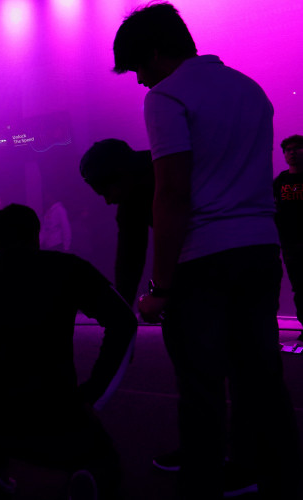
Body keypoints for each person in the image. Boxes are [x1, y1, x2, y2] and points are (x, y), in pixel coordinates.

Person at [114, 3, 301, 498]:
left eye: (138, 67)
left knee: (201, 381)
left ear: (156, 52)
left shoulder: (166, 96)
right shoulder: (251, 90)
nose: (138, 81)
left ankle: (204, 483)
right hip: (261, 246)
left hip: (205, 255)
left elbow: (172, 193)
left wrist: (160, 287)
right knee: (261, 372)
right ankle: (276, 473)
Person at [0, 203, 137, 499]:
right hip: (50, 406)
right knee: (104, 459)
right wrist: (93, 393)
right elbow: (124, 321)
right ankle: (88, 476)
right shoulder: (66, 268)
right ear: (37, 235)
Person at [80, 139, 153, 307]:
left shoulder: (167, 174)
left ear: (121, 175)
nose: (108, 201)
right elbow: (129, 258)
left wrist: (122, 310)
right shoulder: (131, 197)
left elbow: (129, 258)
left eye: (106, 192)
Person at [273, 134, 303, 342]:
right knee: (299, 286)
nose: (291, 152)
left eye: (296, 148)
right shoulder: (281, 181)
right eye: (288, 150)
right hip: (290, 242)